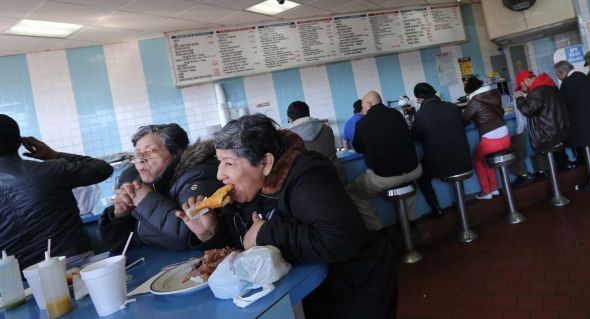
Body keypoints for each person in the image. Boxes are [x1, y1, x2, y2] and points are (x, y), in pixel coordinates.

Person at [176, 114, 397, 319]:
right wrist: (210, 232)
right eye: (219, 162)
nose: (219, 174)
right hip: (312, 292)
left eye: (229, 163)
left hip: (356, 289)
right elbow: (244, 246)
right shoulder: (248, 189)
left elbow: (341, 239)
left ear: (266, 163)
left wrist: (266, 233)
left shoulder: (306, 176)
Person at [0, 114, 113, 269]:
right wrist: (53, 155)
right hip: (76, 267)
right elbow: (102, 169)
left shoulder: (51, 171)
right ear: (21, 142)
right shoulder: (51, 170)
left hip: (20, 281)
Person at [99, 124, 221, 252]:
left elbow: (190, 236)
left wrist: (146, 200)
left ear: (177, 152)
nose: (140, 160)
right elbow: (115, 246)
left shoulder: (198, 176)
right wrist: (119, 214)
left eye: (151, 151)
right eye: (137, 154)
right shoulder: (134, 178)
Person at [347, 91, 422, 231]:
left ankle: (379, 230)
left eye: (363, 107)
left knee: (353, 192)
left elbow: (358, 148)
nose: (363, 111)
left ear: (368, 104)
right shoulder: (396, 114)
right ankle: (411, 222)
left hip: (385, 177)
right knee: (409, 183)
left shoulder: (362, 123)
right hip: (414, 170)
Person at [411, 82, 472, 218]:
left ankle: (436, 208)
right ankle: (461, 200)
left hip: (441, 165)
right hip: (464, 160)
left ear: (420, 99)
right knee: (455, 164)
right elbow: (463, 124)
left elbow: (414, 136)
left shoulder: (421, 115)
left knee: (420, 174)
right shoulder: (453, 107)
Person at [462, 76, 512, 200]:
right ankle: (494, 188)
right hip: (506, 137)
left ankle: (486, 191)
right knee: (486, 158)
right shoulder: (495, 94)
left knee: (478, 159)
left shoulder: (474, 101)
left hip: (490, 142)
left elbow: (462, 120)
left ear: (470, 91)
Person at [286, 101, 345, 185]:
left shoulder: (289, 138)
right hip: (338, 177)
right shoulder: (327, 129)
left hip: (312, 186)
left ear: (290, 119)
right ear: (308, 114)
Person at [514, 70, 569, 154]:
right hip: (557, 131)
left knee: (556, 161)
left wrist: (519, 98)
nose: (522, 89)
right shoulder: (548, 84)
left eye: (521, 86)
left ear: (526, 80)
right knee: (560, 159)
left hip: (549, 135)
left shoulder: (537, 90)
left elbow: (527, 110)